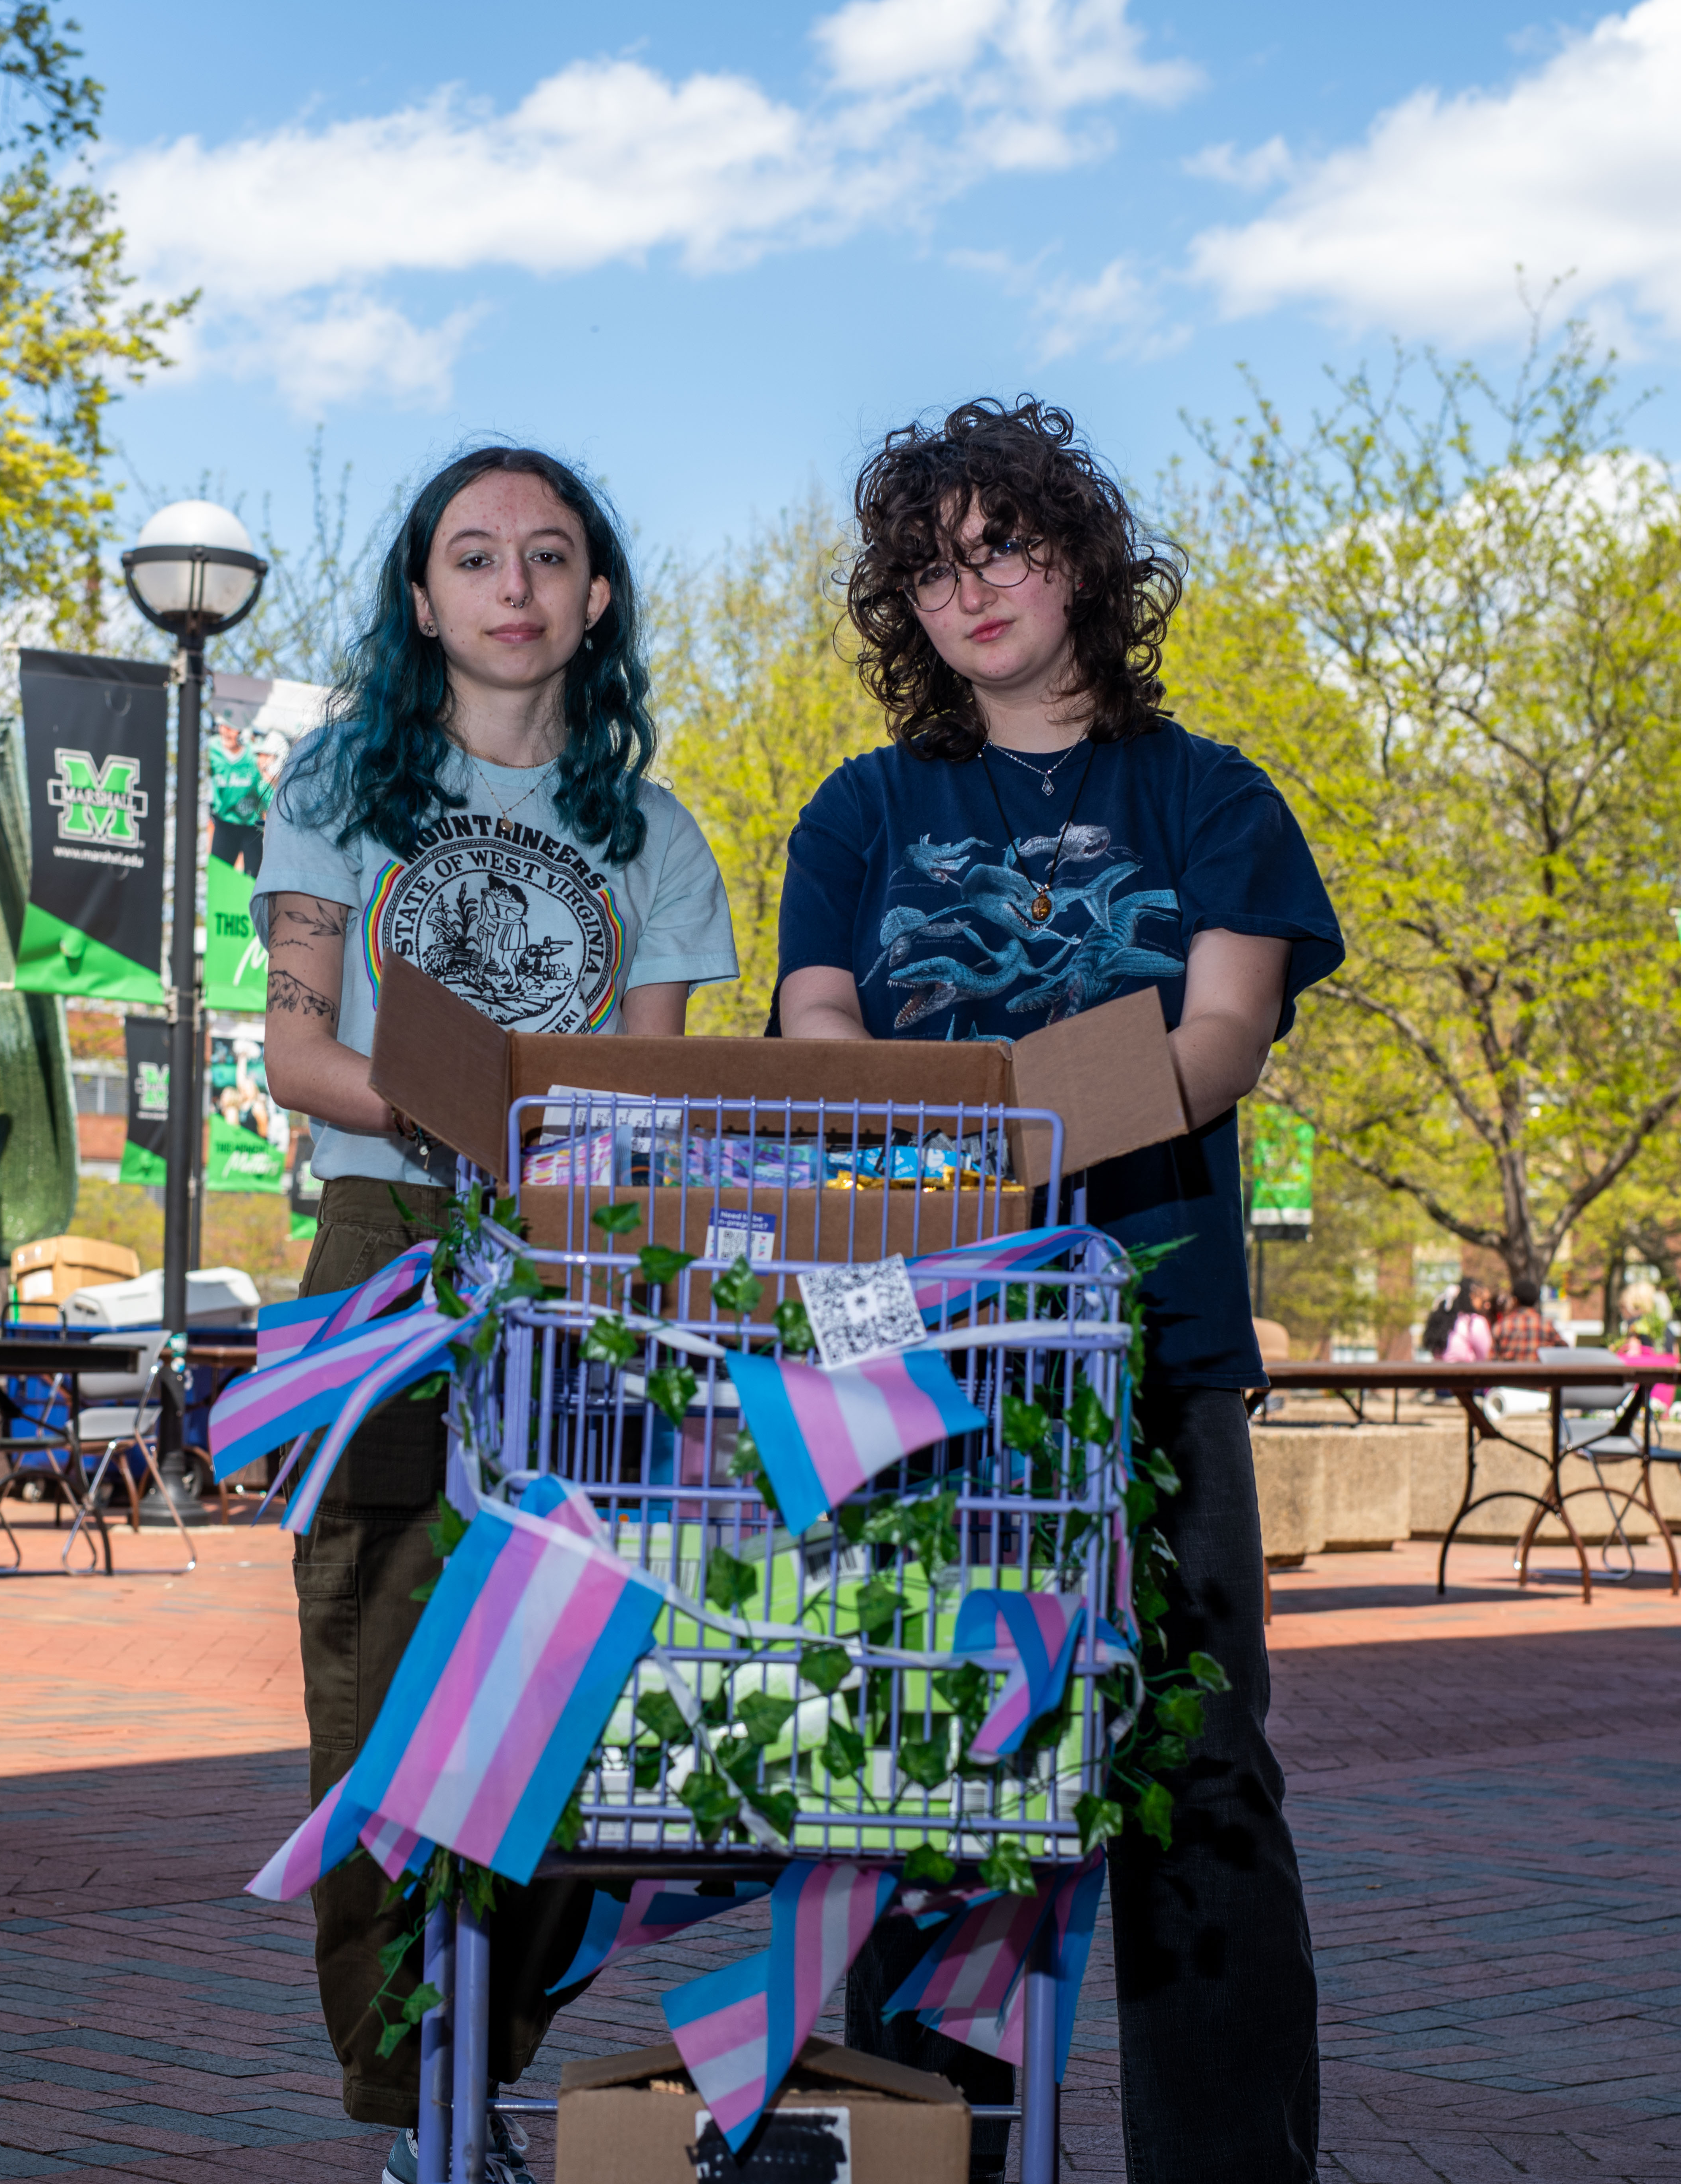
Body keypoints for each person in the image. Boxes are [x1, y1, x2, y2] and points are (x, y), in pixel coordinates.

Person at [776, 397, 1339, 2183]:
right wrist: (975, 1151)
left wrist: (979, 1123)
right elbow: (818, 1037)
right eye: (934, 569)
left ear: (1085, 562)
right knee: (926, 1778)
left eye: (1006, 545)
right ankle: (933, 2156)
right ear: (903, 611)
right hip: (927, 1362)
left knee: (1200, 1790)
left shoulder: (1210, 795)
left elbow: (1223, 1039)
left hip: (1150, 1346)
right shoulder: (864, 812)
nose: (976, 590)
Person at [255, 444, 736, 2184]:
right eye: (475, 557)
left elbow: (652, 1089)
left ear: (595, 599)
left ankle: (484, 2053)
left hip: (575, 1265)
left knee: (590, 1695)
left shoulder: (656, 841)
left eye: (551, 556)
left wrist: (554, 1147)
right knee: (378, 1700)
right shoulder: (341, 785)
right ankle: (415, 2121)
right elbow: (298, 1046)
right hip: (384, 1243)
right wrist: (455, 1105)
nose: (514, 585)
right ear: (424, 598)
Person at [208, 715, 271, 873]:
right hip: (225, 823)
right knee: (219, 876)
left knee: (253, 877)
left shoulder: (255, 753)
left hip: (252, 826)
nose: (226, 732)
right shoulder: (212, 749)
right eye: (223, 726)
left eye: (231, 727)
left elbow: (268, 790)